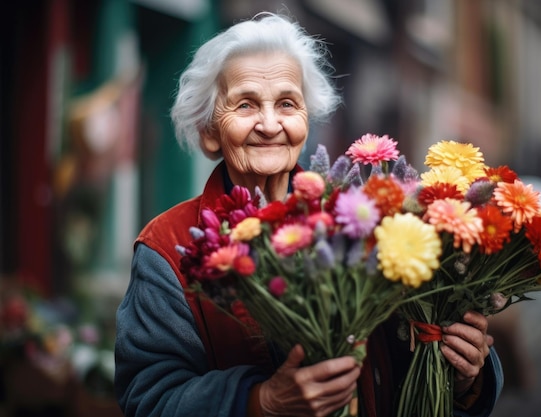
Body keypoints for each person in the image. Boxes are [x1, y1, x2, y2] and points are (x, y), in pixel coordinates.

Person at [114, 12, 503, 417]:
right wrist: (260, 401)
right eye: (245, 105)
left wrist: (463, 375)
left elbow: (404, 359)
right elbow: (149, 397)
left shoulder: (367, 221)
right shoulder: (168, 248)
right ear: (210, 131)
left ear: (306, 122)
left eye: (287, 103)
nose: (269, 124)